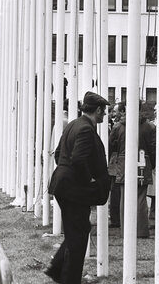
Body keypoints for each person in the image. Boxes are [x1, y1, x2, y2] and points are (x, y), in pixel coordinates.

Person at [47, 91, 111, 284]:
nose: (105, 115)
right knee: (78, 237)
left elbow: (59, 154)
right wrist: (89, 180)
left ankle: (57, 270)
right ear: (98, 110)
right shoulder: (85, 129)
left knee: (78, 230)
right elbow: (78, 159)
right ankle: (69, 278)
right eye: (104, 111)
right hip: (74, 191)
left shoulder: (74, 124)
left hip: (65, 187)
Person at [113, 102, 156, 238]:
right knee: (141, 196)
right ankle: (141, 230)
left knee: (124, 196)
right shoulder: (149, 127)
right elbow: (153, 147)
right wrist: (152, 164)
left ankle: (125, 230)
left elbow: (112, 146)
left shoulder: (118, 126)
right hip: (144, 161)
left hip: (123, 163)